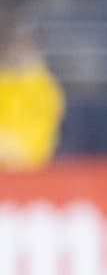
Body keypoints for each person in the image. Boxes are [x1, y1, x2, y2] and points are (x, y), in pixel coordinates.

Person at [0, 17, 64, 170]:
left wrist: (22, 157)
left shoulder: (44, 87)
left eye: (24, 43)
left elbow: (44, 133)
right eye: (14, 43)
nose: (18, 49)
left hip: (31, 171)